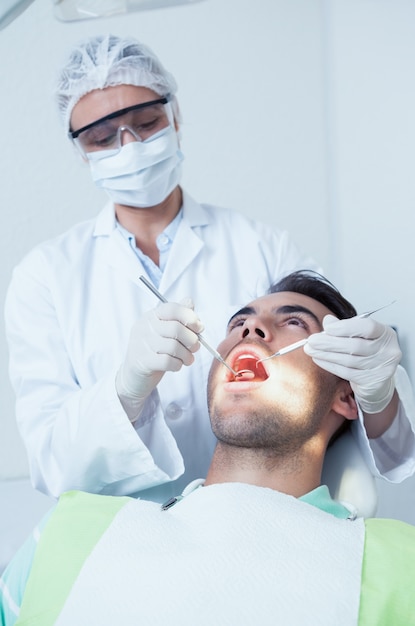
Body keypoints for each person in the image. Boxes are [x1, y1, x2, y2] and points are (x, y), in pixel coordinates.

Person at [4, 34, 415, 503]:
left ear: (175, 116)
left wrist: (377, 391)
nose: (131, 145)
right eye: (102, 136)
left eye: (146, 121)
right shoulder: (45, 277)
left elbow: (338, 395)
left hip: (266, 515)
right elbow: (51, 462)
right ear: (80, 150)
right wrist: (125, 390)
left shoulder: (265, 247)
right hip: (119, 531)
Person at [1, 271, 414, 626]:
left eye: (294, 323)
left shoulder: (398, 563)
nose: (250, 331)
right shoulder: (69, 527)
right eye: (238, 323)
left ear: (347, 395)